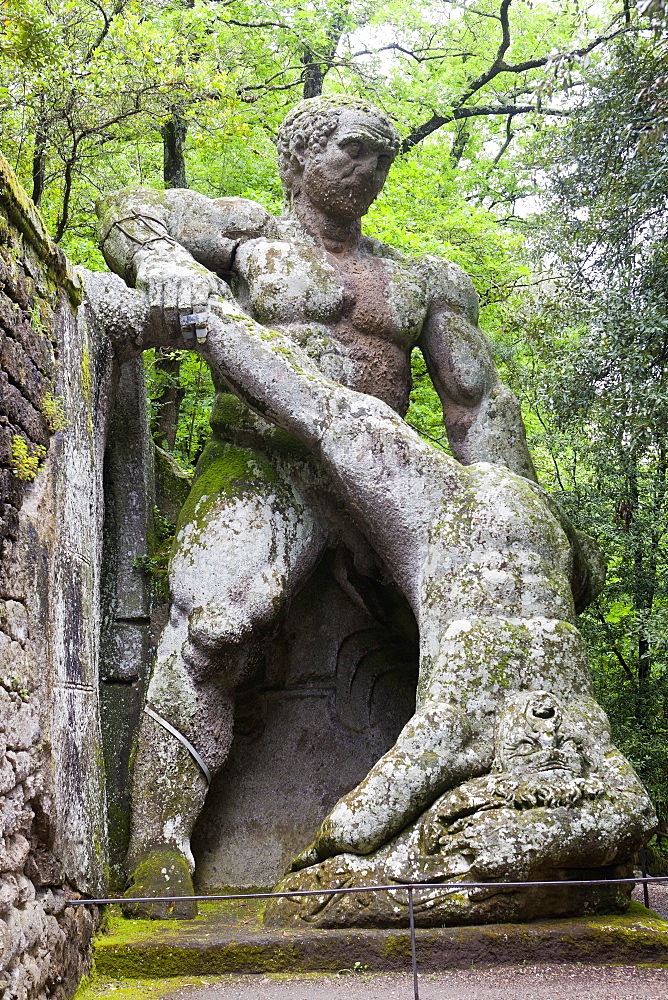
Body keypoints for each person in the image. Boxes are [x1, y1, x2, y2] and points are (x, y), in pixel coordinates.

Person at [96, 95, 592, 918]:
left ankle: (466, 831)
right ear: (298, 158)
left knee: (470, 633)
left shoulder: (428, 279)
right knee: (215, 623)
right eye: (353, 150)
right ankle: (158, 846)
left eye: (383, 157)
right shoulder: (248, 239)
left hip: (385, 475)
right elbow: (127, 214)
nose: (372, 169)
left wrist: (517, 511)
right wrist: (163, 263)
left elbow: (477, 409)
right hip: (267, 462)